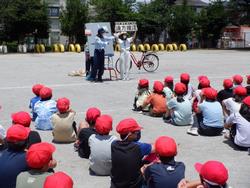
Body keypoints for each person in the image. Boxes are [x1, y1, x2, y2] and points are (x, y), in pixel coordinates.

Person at [111, 118, 153, 188]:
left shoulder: (114, 144)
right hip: (134, 185)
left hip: (116, 184)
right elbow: (157, 147)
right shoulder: (138, 147)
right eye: (136, 132)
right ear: (130, 134)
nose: (138, 133)